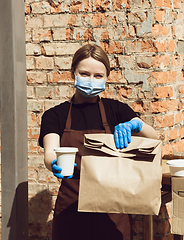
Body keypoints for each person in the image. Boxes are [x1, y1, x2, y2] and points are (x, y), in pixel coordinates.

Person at [38, 44, 157, 240]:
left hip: (112, 211)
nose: (91, 80)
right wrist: (54, 163)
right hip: (71, 208)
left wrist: (136, 124)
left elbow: (153, 139)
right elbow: (50, 152)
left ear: (106, 78)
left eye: (98, 76)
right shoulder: (55, 115)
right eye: (84, 74)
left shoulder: (116, 111)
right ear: (72, 73)